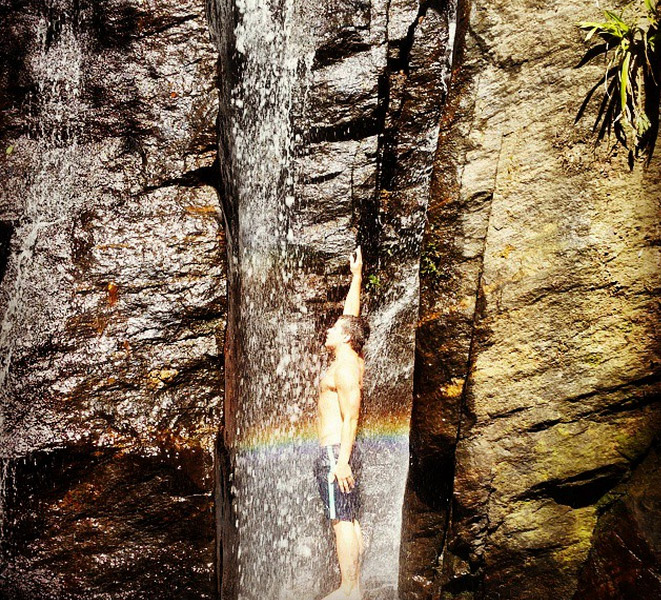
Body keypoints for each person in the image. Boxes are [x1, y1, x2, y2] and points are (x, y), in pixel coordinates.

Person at [314, 246, 370, 600]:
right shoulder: (352, 355)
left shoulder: (345, 367)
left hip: (336, 450)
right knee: (349, 516)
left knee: (341, 521)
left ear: (346, 338)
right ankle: (355, 583)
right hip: (341, 450)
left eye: (335, 329)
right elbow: (352, 317)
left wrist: (342, 461)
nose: (329, 330)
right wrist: (356, 278)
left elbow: (352, 415)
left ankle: (350, 587)